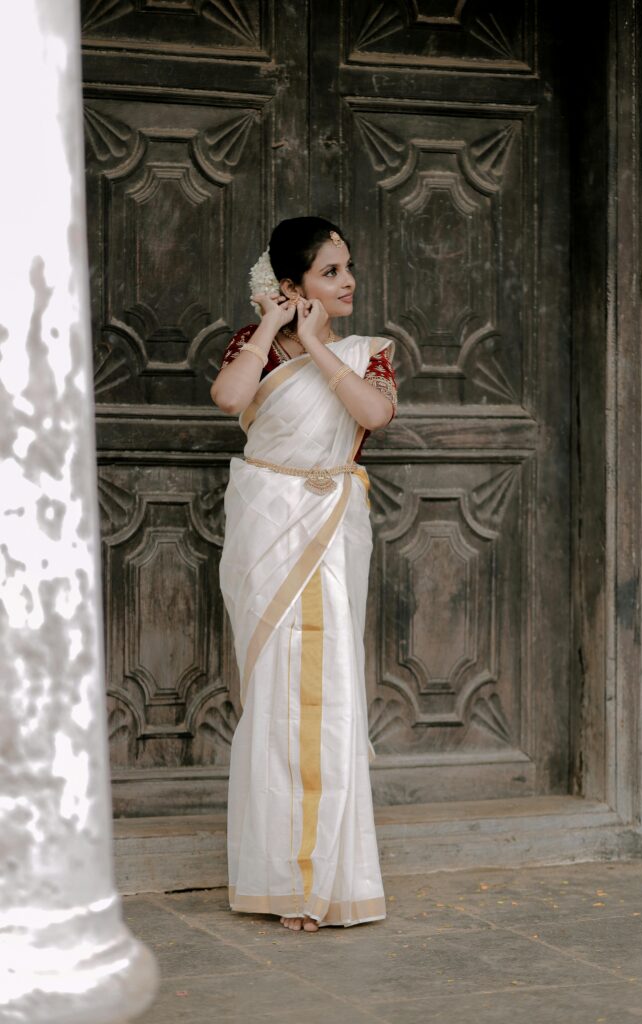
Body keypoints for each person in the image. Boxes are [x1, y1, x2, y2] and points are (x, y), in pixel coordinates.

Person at [210, 216, 398, 932]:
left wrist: (316, 342)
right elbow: (230, 400)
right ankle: (274, 877)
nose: (346, 281)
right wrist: (270, 329)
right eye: (328, 271)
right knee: (273, 697)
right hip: (266, 528)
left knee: (329, 695)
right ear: (290, 286)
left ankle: (329, 881)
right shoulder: (251, 348)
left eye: (346, 267)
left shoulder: (364, 352)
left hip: (327, 529)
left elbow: (373, 415)